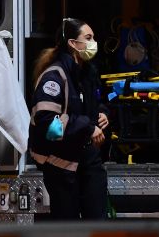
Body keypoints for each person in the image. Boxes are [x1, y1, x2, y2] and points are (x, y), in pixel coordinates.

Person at [28, 18, 109, 220]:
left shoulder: (87, 73)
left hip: (88, 161)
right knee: (68, 228)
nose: (93, 43)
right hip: (62, 166)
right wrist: (87, 127)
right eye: (88, 38)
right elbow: (47, 121)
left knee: (98, 223)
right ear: (72, 43)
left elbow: (97, 101)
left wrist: (103, 113)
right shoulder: (54, 77)